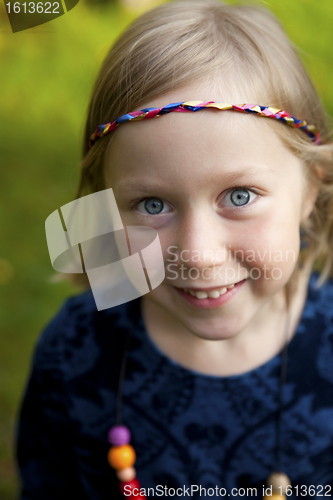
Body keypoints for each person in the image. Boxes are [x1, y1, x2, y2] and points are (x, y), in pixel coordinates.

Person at [16, 1, 333, 499]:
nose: (200, 254)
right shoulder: (73, 355)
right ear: (104, 209)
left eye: (239, 196)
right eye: (152, 203)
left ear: (312, 189)